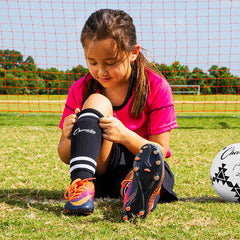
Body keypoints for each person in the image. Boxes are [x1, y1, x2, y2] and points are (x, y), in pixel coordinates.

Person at [58, 8, 178, 221]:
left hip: (143, 165)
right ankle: (81, 185)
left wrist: (123, 135)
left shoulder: (156, 86)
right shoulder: (80, 89)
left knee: (147, 172)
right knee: (97, 101)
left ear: (133, 52)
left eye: (110, 62)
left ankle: (133, 192)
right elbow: (65, 155)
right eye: (92, 62)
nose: (101, 71)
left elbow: (158, 150)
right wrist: (69, 137)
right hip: (99, 170)